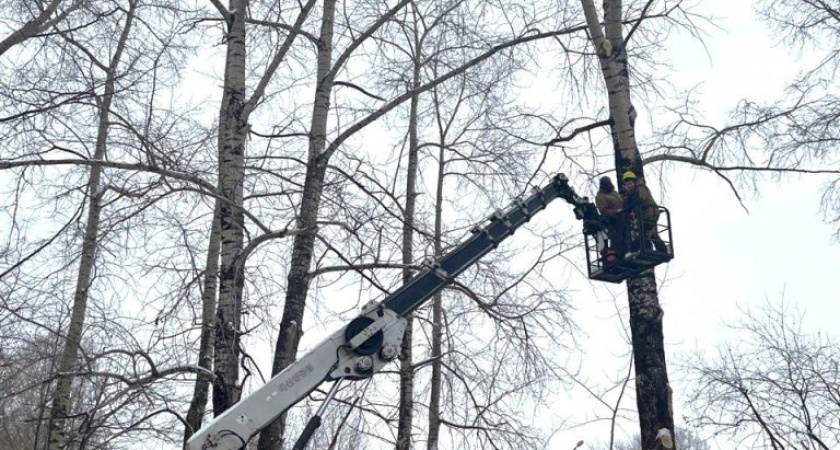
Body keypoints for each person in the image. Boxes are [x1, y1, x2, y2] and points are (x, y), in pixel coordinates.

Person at [621, 171, 667, 253]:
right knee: (652, 233)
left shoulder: (641, 188)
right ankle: (661, 250)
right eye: (627, 184)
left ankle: (645, 249)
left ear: (634, 182)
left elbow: (639, 199)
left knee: (644, 233)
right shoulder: (631, 193)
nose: (629, 185)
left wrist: (629, 207)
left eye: (630, 183)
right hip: (645, 215)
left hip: (649, 214)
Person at [595, 176, 626, 262]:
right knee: (617, 235)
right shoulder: (600, 196)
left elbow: (621, 202)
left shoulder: (614, 192)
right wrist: (616, 211)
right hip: (612, 220)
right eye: (606, 184)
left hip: (622, 217)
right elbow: (603, 210)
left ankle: (627, 250)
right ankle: (617, 254)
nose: (608, 185)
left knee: (626, 232)